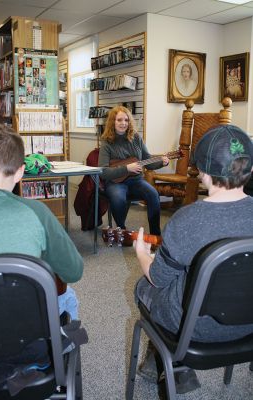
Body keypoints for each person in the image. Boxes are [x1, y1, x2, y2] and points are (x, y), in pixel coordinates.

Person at [134, 124, 253, 394]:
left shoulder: (188, 219)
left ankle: (175, 366)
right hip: (248, 328)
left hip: (195, 331)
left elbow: (158, 277)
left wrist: (142, 254)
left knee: (145, 286)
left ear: (203, 173)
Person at [0, 123, 83, 320]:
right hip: (25, 330)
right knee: (68, 296)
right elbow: (74, 271)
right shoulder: (37, 212)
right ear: (21, 171)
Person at [98, 105, 169, 236]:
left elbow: (148, 161)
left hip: (136, 181)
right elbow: (103, 171)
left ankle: (156, 234)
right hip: (115, 182)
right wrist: (127, 168)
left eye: (126, 120)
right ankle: (122, 231)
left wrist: (162, 162)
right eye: (119, 120)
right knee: (118, 198)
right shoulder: (106, 142)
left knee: (153, 194)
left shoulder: (136, 138)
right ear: (113, 121)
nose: (123, 123)